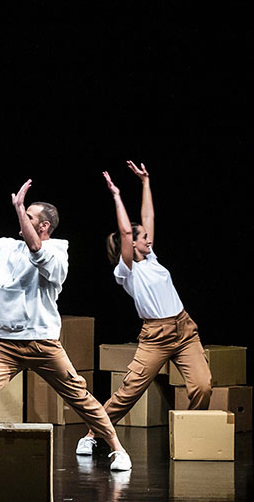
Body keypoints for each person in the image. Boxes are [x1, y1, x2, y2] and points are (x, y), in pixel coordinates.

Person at [0, 176, 132, 471]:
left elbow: (36, 249)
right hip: (3, 344)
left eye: (28, 216)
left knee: (79, 396)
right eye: (23, 213)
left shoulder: (57, 253)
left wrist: (19, 207)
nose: (21, 219)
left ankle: (117, 449)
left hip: (42, 343)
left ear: (43, 226)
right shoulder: (9, 247)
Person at [77, 162, 211, 453]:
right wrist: (116, 195)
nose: (149, 239)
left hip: (184, 330)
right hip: (155, 337)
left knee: (202, 386)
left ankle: (191, 434)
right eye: (143, 238)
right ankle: (92, 435)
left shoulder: (151, 258)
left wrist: (145, 182)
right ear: (132, 244)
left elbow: (148, 216)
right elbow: (126, 232)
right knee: (129, 392)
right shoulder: (127, 271)